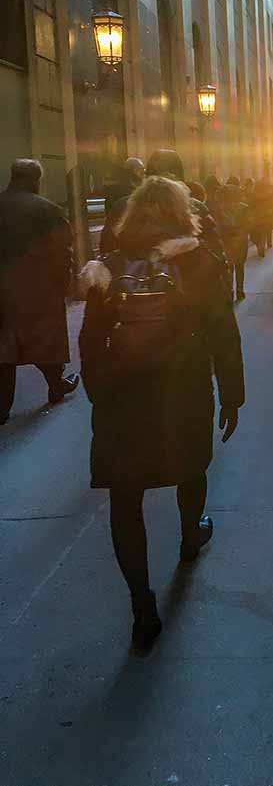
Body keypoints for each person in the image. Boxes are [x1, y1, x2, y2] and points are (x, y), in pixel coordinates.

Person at [79, 175, 244, 650]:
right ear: (181, 213)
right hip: (183, 388)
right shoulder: (200, 263)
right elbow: (223, 336)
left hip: (122, 396)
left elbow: (90, 340)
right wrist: (232, 393)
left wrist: (98, 393)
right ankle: (191, 535)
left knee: (125, 497)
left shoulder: (107, 267)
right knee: (191, 467)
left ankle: (141, 605)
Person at [0, 159, 79, 424]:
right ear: (36, 180)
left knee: (5, 345)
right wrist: (64, 280)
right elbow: (62, 250)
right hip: (39, 288)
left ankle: (2, 407)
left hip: (3, 289)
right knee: (46, 339)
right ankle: (56, 385)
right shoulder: (48, 209)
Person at [100, 156, 145, 254]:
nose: (143, 172)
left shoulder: (113, 186)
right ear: (135, 170)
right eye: (141, 169)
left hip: (114, 234)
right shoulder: (135, 189)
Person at [218, 183, 250, 302]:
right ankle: (240, 290)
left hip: (227, 242)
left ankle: (230, 291)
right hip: (241, 241)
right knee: (240, 266)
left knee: (229, 267)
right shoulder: (244, 207)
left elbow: (219, 226)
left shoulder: (221, 209)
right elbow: (248, 224)